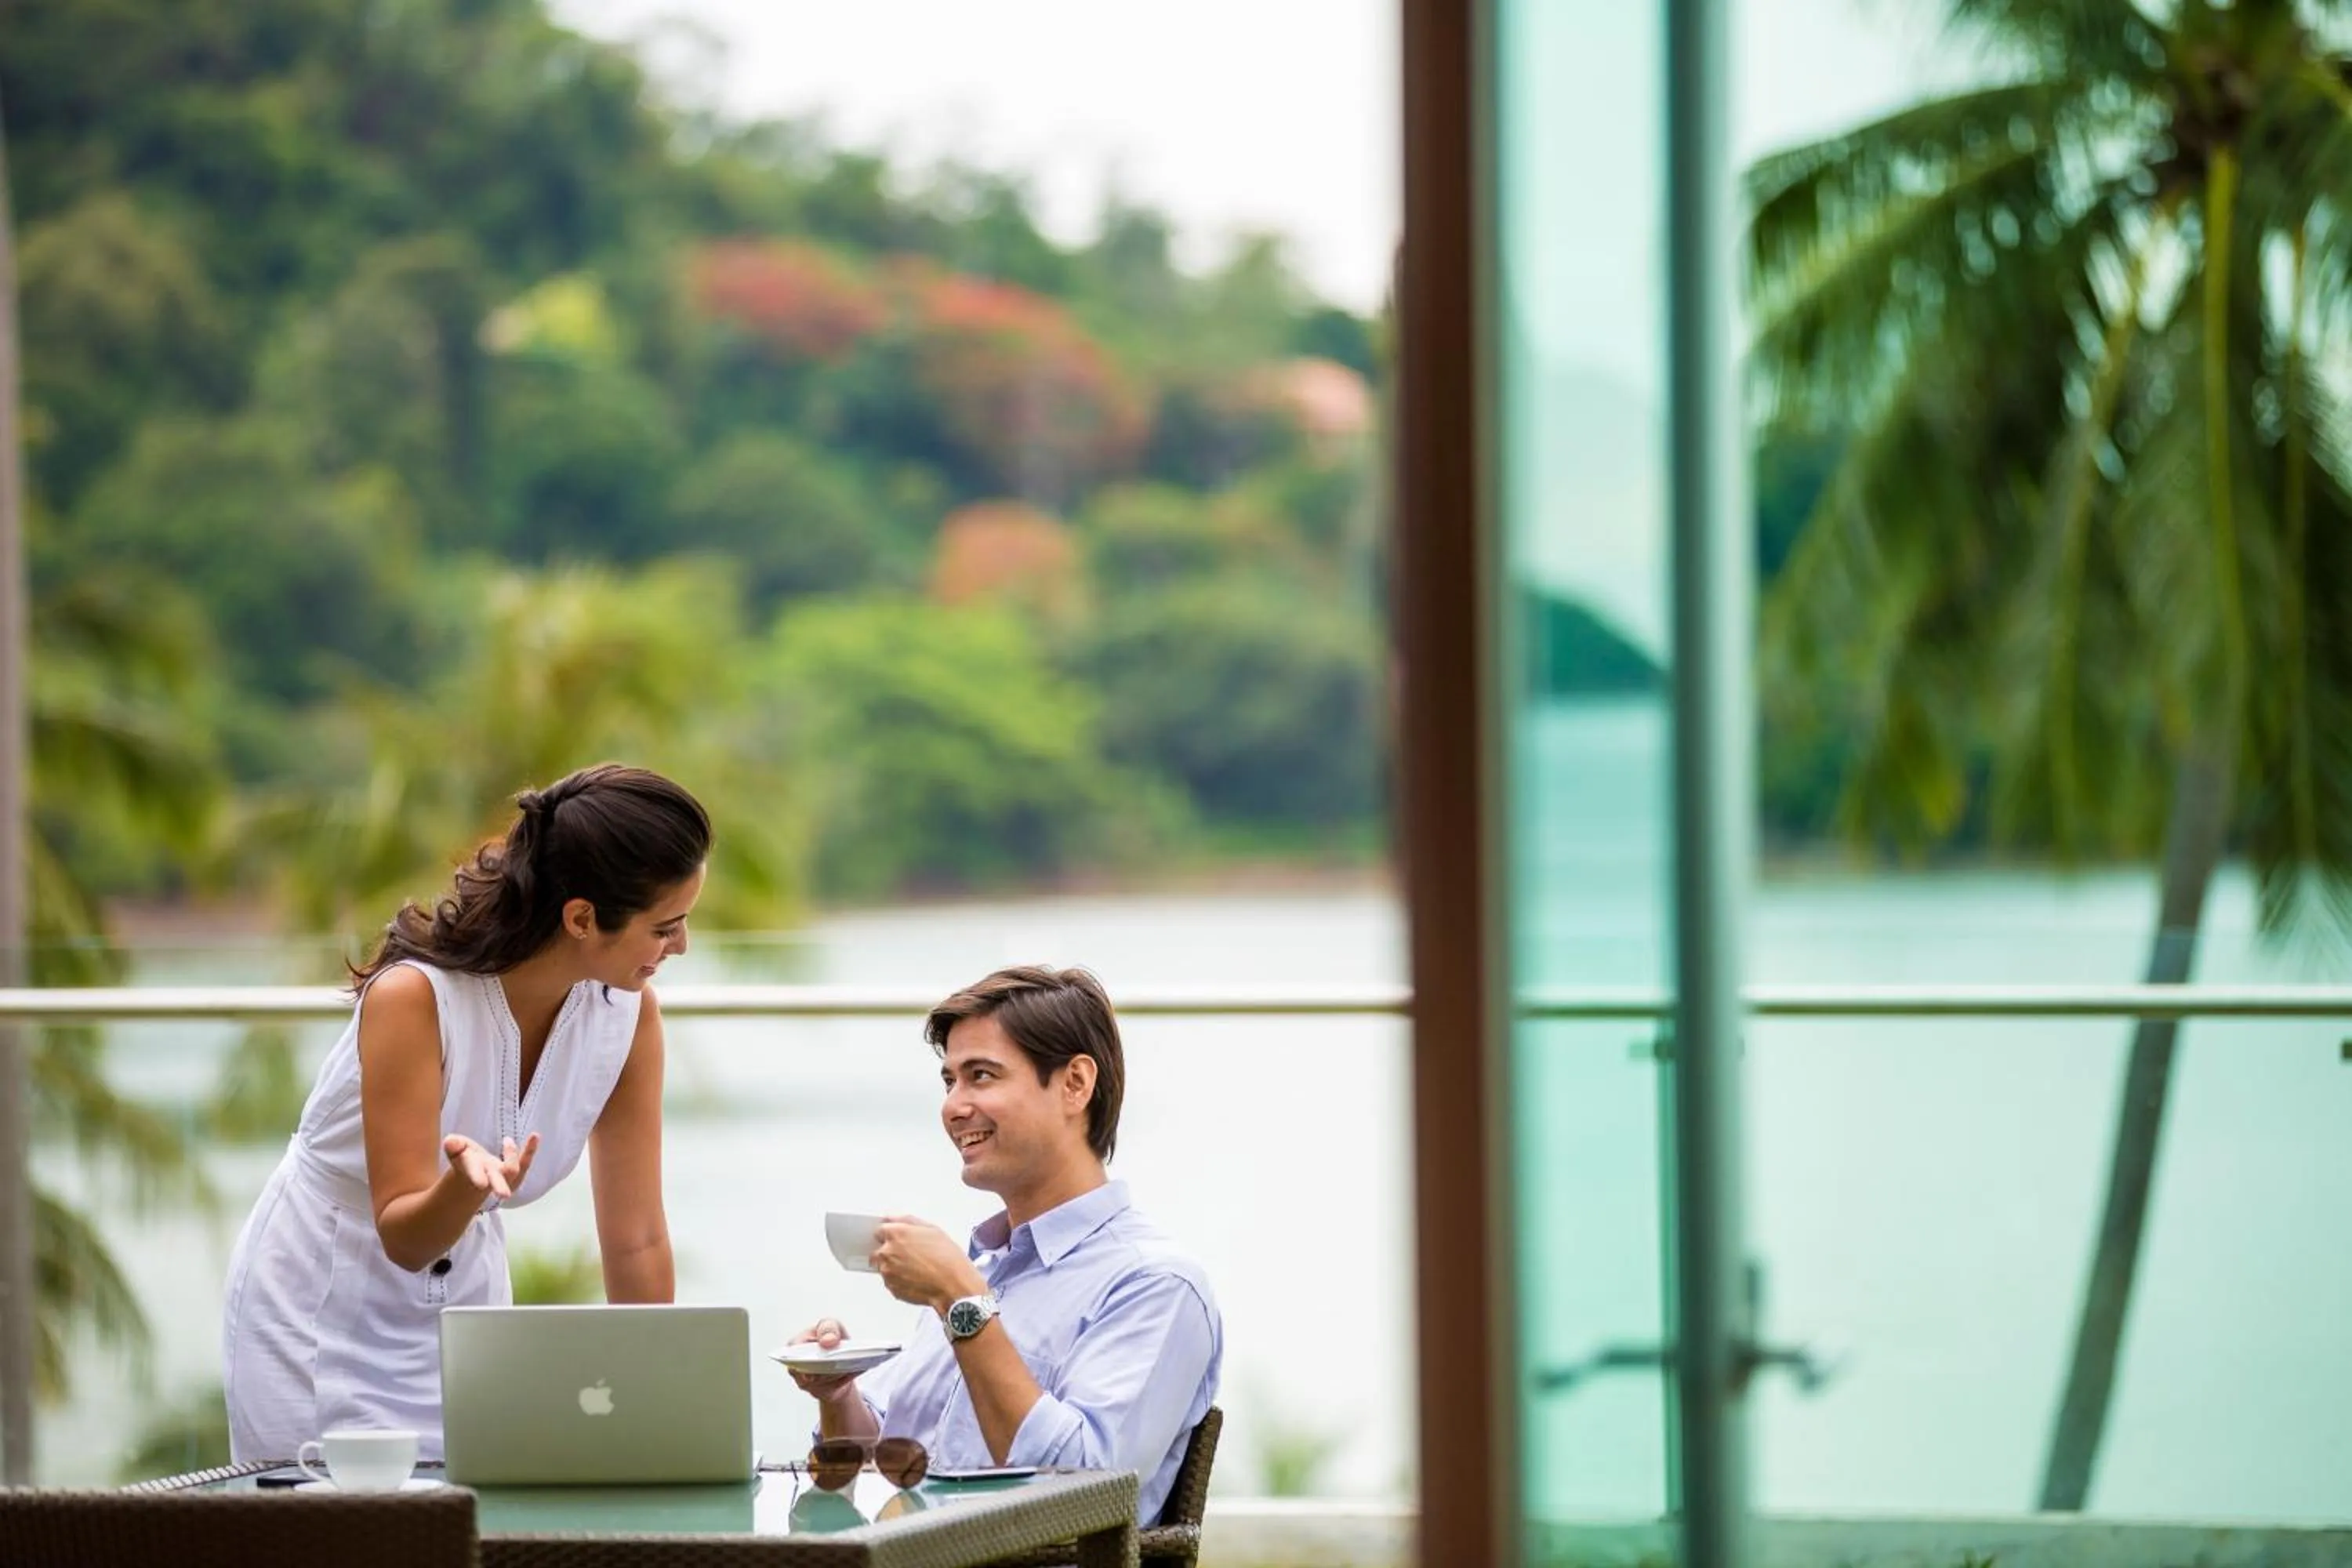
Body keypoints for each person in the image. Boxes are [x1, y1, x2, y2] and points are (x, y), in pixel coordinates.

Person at [221, 763, 709, 1461]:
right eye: (666, 928)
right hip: (320, 1304)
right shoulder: (413, 999)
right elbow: (407, 1236)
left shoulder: (628, 1017)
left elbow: (635, 1241)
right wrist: (462, 1188)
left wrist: (661, 1399)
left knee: (468, 1534)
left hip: (466, 1317)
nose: (680, 947)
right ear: (581, 917)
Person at [786, 965, 1221, 1523]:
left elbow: (1083, 1498)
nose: (953, 1106)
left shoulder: (1156, 1285)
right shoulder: (981, 1265)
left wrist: (960, 1300)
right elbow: (881, 1473)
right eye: (950, 1081)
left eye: (982, 1076)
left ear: (1075, 1084)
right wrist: (838, 1393)